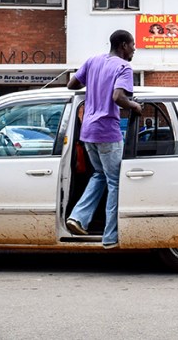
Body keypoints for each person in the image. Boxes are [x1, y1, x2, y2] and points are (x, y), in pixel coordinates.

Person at [65, 29, 142, 248]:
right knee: (115, 182)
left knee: (99, 174)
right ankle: (110, 237)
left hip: (88, 131)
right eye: (133, 45)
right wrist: (135, 106)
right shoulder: (124, 67)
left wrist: (93, 83)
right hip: (108, 131)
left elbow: (72, 85)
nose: (134, 49)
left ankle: (78, 217)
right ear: (124, 46)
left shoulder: (93, 61)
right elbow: (118, 97)